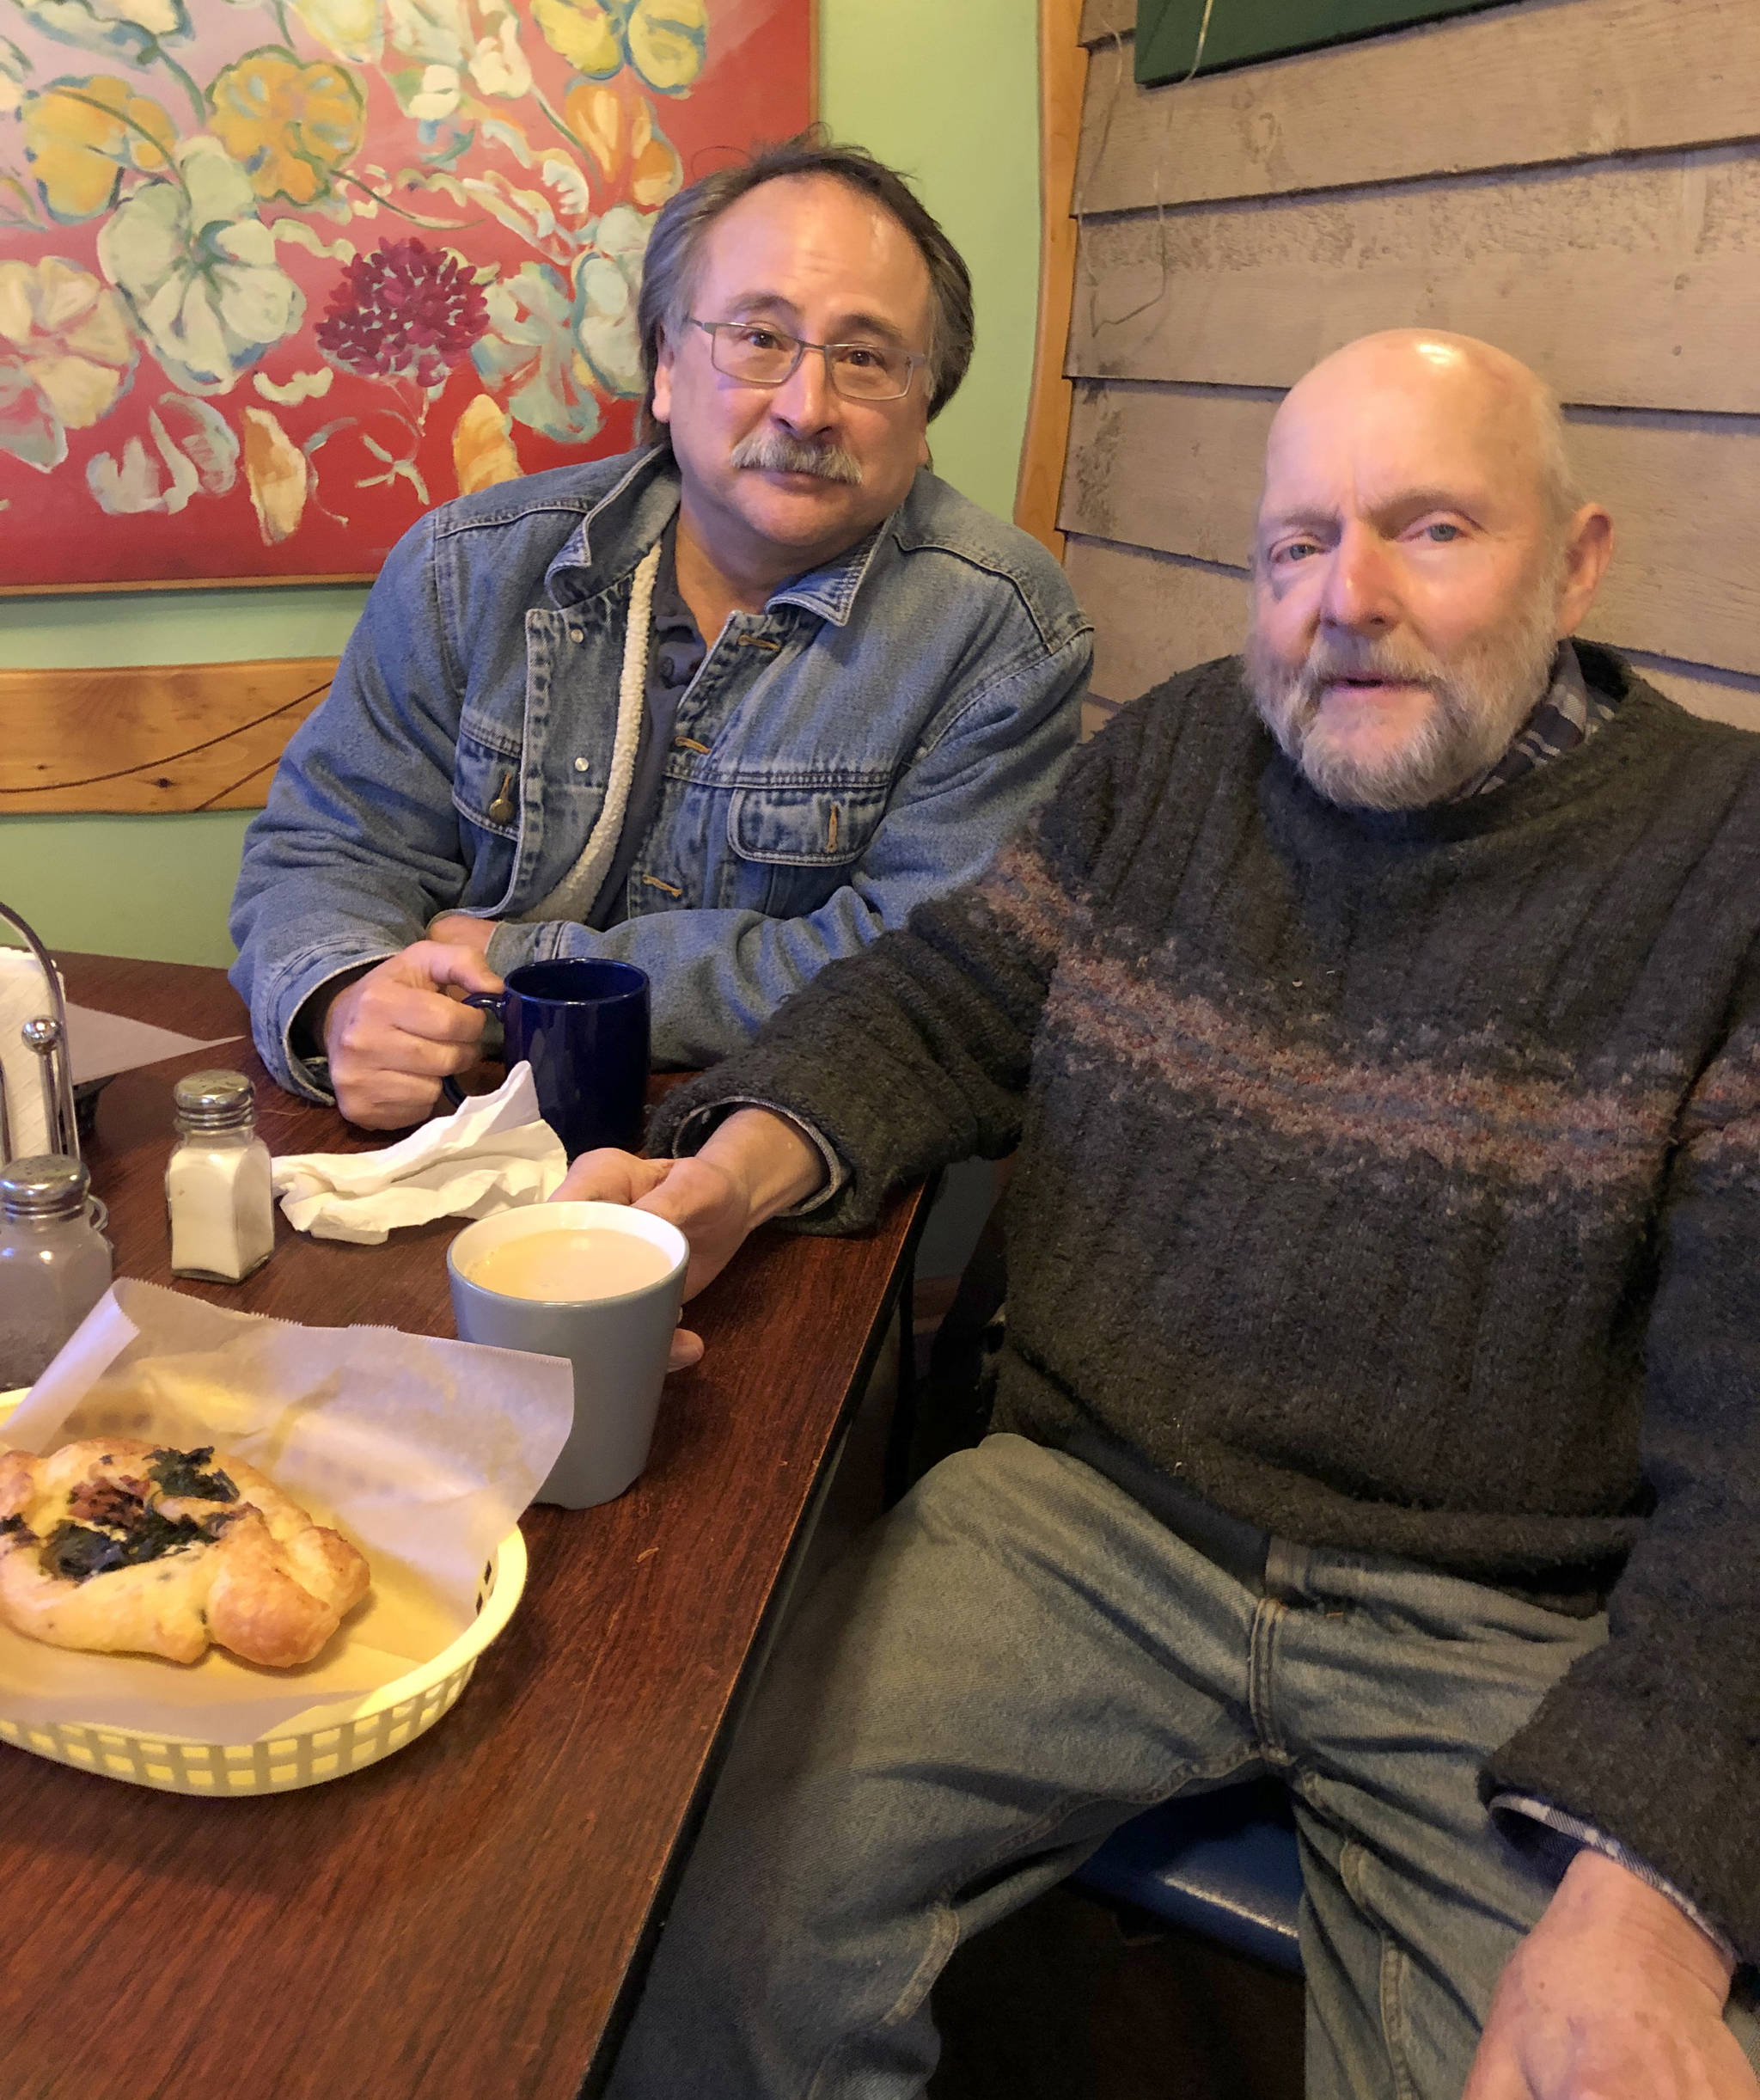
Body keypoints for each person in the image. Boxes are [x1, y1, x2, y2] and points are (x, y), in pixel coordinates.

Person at [565, 331, 1760, 2098]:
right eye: (1292, 546)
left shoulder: (1723, 862)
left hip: (1507, 1627)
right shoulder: (1184, 751)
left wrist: (1657, 1886)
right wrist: (727, 1175)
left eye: (1429, 529)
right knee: (687, 1928)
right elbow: (950, 997)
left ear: (1575, 561)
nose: (1340, 600)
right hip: (1080, 1520)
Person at [229, 133, 1090, 1129]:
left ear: (922, 407)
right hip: (441, 1130)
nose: (806, 408)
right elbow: (329, 845)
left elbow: (921, 964)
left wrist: (514, 973)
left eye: (863, 358)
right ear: (668, 368)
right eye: (759, 338)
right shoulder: (464, 565)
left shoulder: (1002, 631)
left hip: (762, 1145)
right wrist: (345, 997)